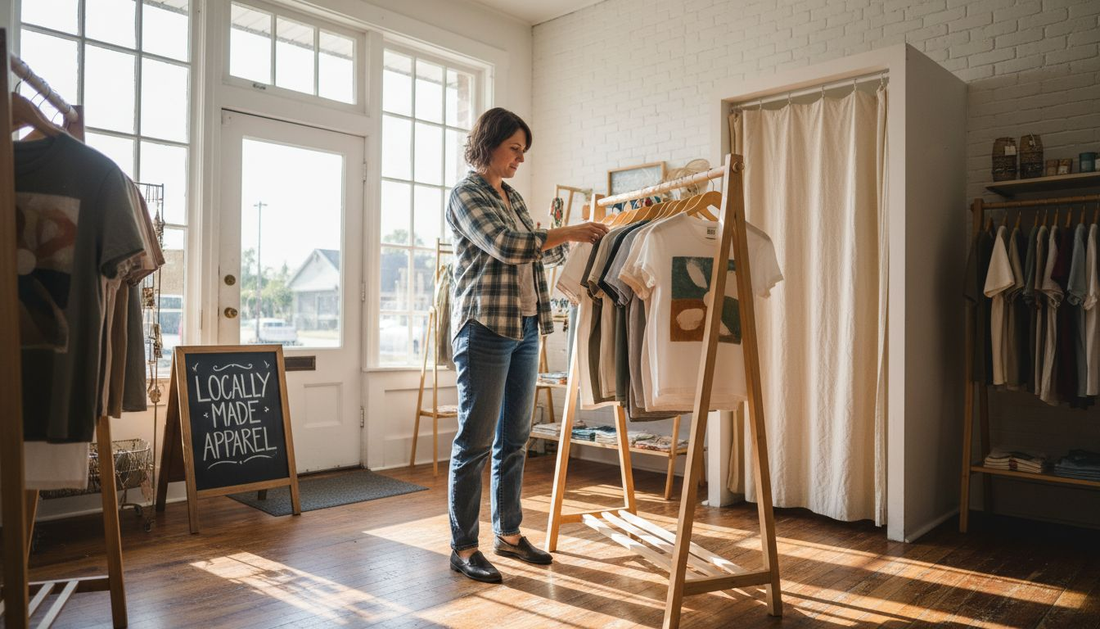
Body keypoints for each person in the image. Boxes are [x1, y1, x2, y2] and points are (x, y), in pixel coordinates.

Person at [445, 107, 609, 583]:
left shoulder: (511, 196)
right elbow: (507, 245)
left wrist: (584, 236)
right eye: (514, 148)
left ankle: (508, 534)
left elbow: (540, 251)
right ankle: (464, 546)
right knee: (474, 441)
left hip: (524, 327)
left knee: (515, 438)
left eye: (523, 151)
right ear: (489, 143)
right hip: (484, 329)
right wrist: (567, 232)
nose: (519, 159)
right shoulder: (465, 194)